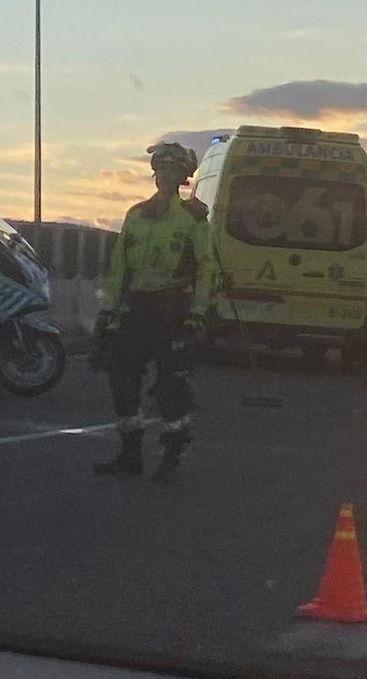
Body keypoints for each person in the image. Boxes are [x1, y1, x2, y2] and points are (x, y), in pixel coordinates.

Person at [93, 141, 216, 482]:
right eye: (160, 169)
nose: (164, 176)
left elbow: (207, 268)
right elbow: (119, 268)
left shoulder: (192, 219)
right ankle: (130, 455)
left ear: (182, 177)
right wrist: (108, 312)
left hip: (173, 308)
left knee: (170, 388)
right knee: (122, 381)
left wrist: (198, 314)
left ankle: (172, 454)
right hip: (137, 307)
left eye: (172, 170)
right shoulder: (135, 215)